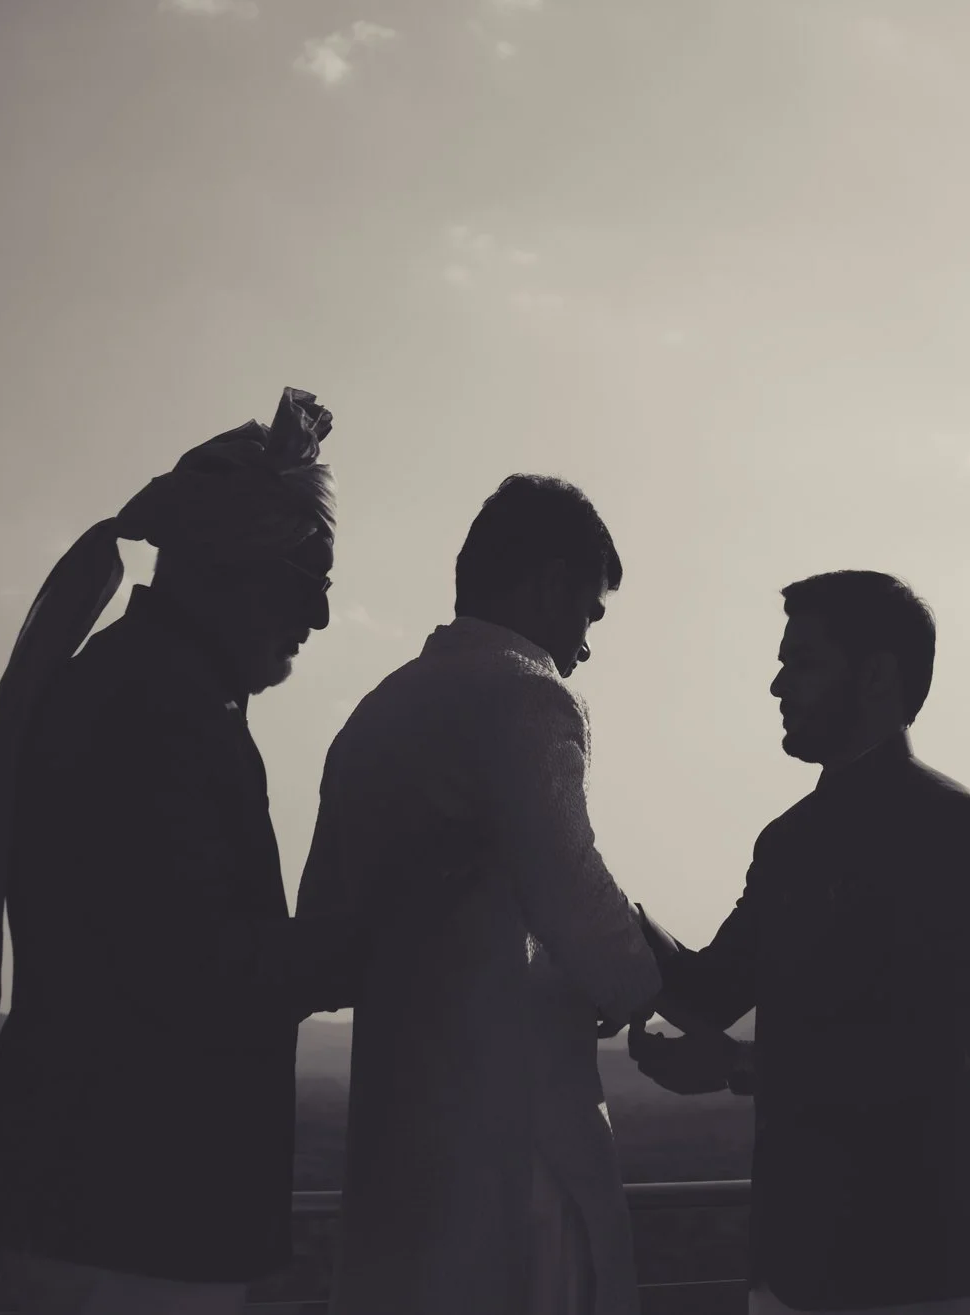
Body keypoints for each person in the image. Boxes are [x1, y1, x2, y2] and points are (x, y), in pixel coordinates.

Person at [0, 389, 453, 1315]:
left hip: (97, 1209)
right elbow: (199, 968)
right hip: (129, 1217)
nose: (318, 616)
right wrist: (383, 919)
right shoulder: (160, 712)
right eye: (309, 576)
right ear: (234, 560)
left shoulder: (144, 690)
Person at [298, 475, 664, 1315]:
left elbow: (322, 942)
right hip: (516, 1135)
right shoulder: (529, 694)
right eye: (588, 611)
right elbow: (574, 892)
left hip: (397, 1135)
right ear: (546, 585)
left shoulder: (371, 716)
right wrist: (642, 978)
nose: (584, 646)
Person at [629, 571, 970, 1315]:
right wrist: (593, 897)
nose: (776, 684)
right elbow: (711, 987)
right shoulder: (787, 842)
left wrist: (738, 1064)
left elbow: (929, 1043)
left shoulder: (954, 830)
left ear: (875, 676)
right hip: (790, 1260)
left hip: (907, 1260)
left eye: (802, 661)